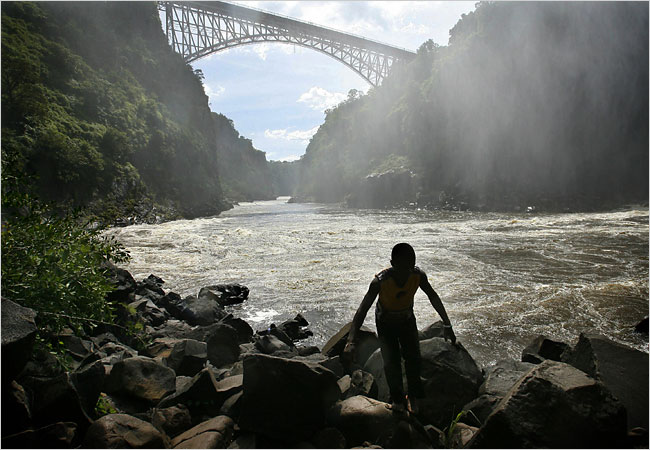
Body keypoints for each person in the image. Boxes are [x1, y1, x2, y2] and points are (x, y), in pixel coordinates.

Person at [343, 242, 456, 414]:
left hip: (406, 320)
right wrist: (350, 341)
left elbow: (433, 296)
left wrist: (447, 324)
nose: (406, 272)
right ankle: (397, 400)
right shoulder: (380, 282)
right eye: (402, 267)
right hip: (385, 322)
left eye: (410, 266)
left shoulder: (418, 275)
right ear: (393, 264)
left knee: (413, 358)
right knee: (391, 361)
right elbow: (362, 310)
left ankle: (413, 397)